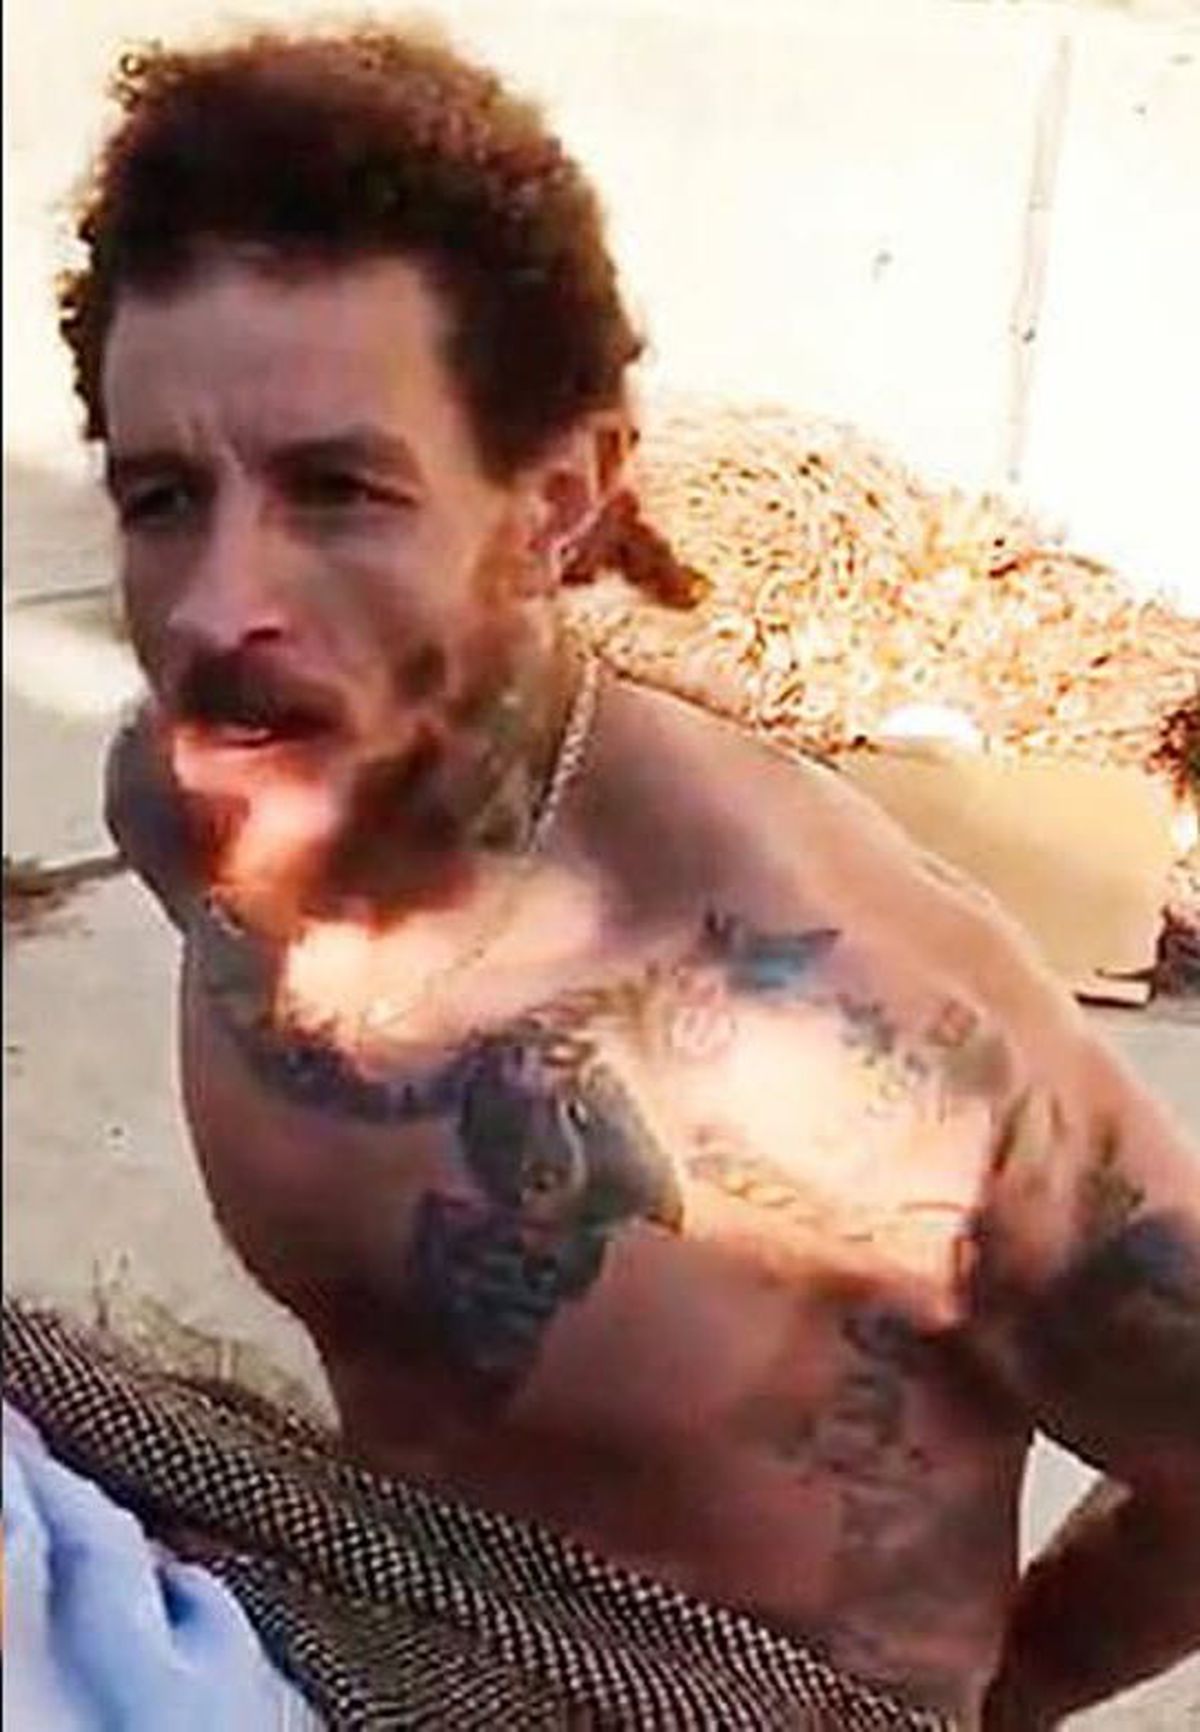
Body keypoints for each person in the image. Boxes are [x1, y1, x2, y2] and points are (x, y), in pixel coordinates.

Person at [11, 23, 1198, 1730]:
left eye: (340, 492)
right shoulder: (192, 804)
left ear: (557, 503)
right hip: (364, 1618)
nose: (215, 606)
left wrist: (1013, 1701)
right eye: (162, 499)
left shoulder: (854, 1037)